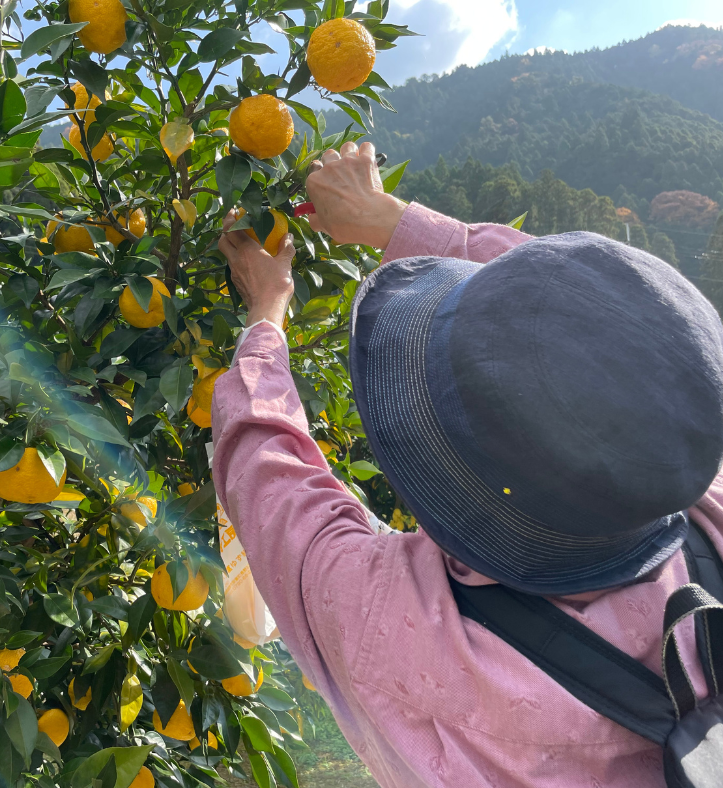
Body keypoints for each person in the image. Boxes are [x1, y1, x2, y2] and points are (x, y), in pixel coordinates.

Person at [211, 140, 723, 788]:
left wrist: (267, 308)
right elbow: (601, 320)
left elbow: (265, 469)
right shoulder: (699, 492)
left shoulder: (396, 630)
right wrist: (390, 218)